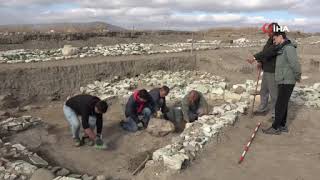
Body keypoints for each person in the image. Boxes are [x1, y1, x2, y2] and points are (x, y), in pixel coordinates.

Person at [263, 31, 301, 135]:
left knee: (280, 104)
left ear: (280, 37)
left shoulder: (288, 48)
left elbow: (294, 64)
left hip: (287, 80)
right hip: (282, 79)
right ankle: (282, 126)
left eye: (275, 39)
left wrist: (297, 75)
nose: (274, 41)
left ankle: (275, 128)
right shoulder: (282, 48)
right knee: (283, 103)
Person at [247, 22, 279, 120]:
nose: (267, 34)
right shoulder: (270, 39)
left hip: (273, 70)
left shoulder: (278, 40)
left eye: (269, 32)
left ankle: (275, 114)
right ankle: (262, 109)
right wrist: (260, 61)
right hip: (266, 69)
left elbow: (268, 52)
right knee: (263, 90)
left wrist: (255, 57)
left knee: (274, 94)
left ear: (274, 31)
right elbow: (265, 51)